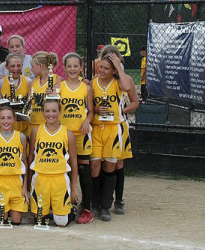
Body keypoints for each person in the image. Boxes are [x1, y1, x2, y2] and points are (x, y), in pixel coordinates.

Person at [90, 53, 132, 222]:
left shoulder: (118, 83)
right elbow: (88, 103)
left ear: (114, 71)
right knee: (94, 167)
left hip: (113, 129)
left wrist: (119, 67)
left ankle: (106, 206)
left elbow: (128, 87)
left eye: (107, 68)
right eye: (101, 67)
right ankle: (94, 204)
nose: (102, 70)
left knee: (109, 166)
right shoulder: (92, 83)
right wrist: (95, 108)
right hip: (96, 129)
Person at [100, 44, 139, 215]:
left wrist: (121, 110)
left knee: (118, 163)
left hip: (118, 126)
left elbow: (135, 102)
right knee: (102, 163)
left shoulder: (124, 79)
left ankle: (119, 199)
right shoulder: (98, 79)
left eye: (114, 59)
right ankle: (102, 198)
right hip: (101, 126)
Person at [28, 100, 78, 227]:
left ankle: (69, 210)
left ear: (60, 112)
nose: (51, 114)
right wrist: (28, 186)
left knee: (61, 223)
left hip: (59, 178)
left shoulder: (68, 134)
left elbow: (74, 163)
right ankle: (50, 210)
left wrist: (73, 188)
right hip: (40, 178)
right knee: (40, 221)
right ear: (43, 112)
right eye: (47, 111)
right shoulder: (36, 131)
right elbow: (31, 158)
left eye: (54, 111)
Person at [59, 53, 94, 224]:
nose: (72, 69)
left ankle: (87, 207)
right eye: (69, 66)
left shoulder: (86, 88)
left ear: (81, 68)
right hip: (64, 135)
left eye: (76, 66)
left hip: (81, 134)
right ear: (64, 68)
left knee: (83, 170)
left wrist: (87, 120)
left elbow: (91, 111)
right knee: (65, 170)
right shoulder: (59, 86)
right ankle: (67, 203)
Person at [0, 106, 29, 226]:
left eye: (9, 118)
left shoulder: (21, 137)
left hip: (16, 180)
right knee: (2, 220)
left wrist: (25, 187)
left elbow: (24, 162)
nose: (6, 121)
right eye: (3, 118)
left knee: (16, 221)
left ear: (14, 119)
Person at [29, 52, 63, 138]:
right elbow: (29, 104)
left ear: (40, 66)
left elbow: (61, 103)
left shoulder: (57, 80)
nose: (31, 69)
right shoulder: (32, 83)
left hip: (50, 124)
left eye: (33, 66)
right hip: (34, 123)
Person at [0, 53, 30, 136]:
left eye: (18, 65)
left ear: (22, 65)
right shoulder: (1, 83)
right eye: (12, 66)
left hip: (24, 126)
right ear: (6, 67)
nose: (16, 69)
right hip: (6, 127)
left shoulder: (27, 81)